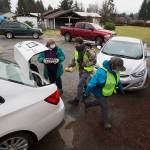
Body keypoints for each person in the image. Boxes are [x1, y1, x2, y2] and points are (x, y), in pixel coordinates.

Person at [84, 57, 126, 129]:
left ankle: (87, 104)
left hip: (107, 92)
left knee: (99, 102)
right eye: (118, 69)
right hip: (99, 92)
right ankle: (105, 123)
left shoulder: (115, 71)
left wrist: (121, 88)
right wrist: (86, 94)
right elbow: (91, 84)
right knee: (105, 107)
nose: (119, 71)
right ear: (113, 66)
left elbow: (117, 80)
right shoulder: (102, 73)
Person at [68, 37, 96, 105]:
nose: (75, 45)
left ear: (81, 44)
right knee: (84, 83)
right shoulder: (77, 50)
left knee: (80, 84)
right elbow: (75, 59)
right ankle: (87, 92)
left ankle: (77, 100)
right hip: (80, 69)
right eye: (74, 43)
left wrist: (85, 64)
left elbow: (94, 61)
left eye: (76, 43)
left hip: (87, 70)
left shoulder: (87, 51)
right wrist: (71, 64)